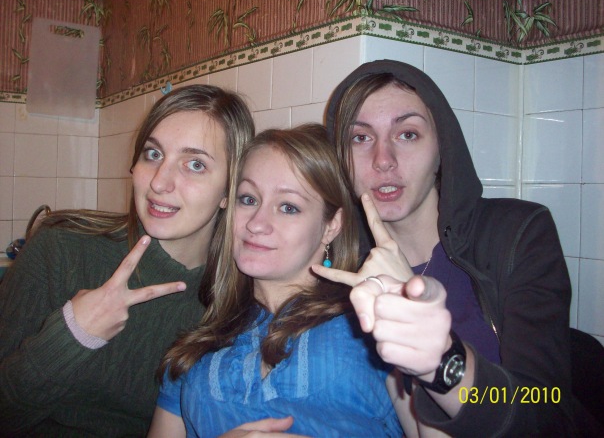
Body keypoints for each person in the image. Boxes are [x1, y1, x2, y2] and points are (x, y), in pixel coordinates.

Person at [310, 59, 577, 436]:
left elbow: (545, 409)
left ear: (442, 147)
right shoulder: (341, 265)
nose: (383, 161)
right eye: (360, 138)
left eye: (407, 134)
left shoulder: (516, 233)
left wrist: (441, 359)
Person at [0, 84, 254, 437]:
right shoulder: (61, 249)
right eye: (153, 154)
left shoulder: (238, 303)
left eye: (195, 164)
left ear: (230, 190)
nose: (160, 182)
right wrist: (72, 335)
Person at [148, 124, 403, 437]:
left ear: (331, 226)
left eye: (288, 207)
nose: (256, 223)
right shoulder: (195, 350)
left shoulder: (373, 328)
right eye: (248, 199)